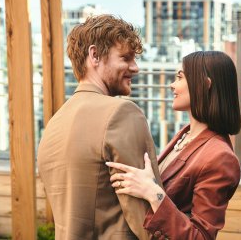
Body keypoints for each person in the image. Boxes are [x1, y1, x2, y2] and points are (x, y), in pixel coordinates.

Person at [37, 14, 162, 240]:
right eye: (125, 58)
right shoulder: (122, 114)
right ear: (94, 55)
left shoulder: (54, 124)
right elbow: (150, 223)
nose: (135, 68)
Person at [106, 51, 241, 240]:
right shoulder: (185, 135)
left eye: (180, 77)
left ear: (205, 84)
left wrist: (153, 193)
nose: (172, 85)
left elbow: (201, 237)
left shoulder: (220, 157)